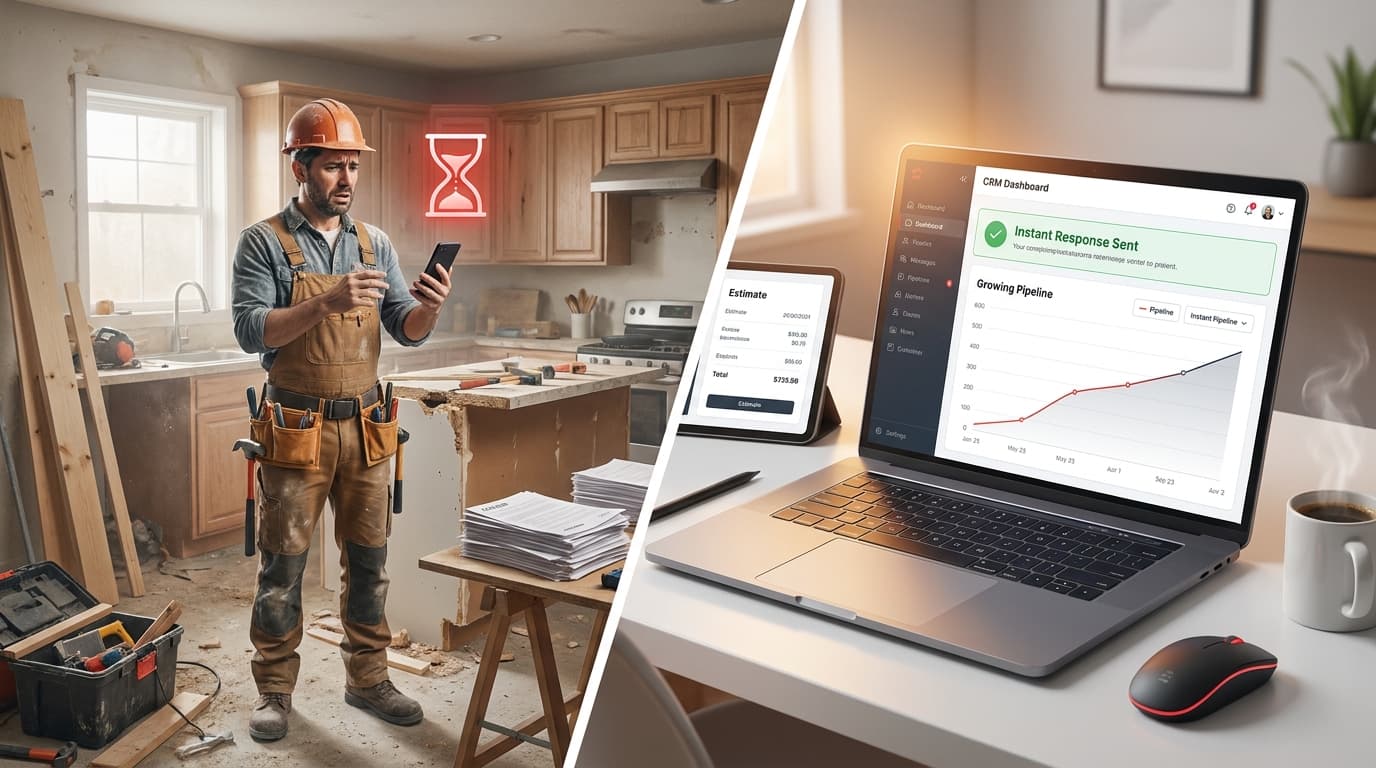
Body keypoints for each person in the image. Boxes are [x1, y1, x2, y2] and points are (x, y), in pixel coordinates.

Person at [230, 97, 451, 742]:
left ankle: (369, 679)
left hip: (366, 427)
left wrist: (431, 309)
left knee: (370, 562)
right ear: (300, 168)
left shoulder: (374, 244)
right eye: (332, 166)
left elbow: (405, 327)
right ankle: (274, 690)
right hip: (296, 427)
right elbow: (250, 330)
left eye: (353, 165)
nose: (346, 179)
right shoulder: (263, 242)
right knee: (283, 568)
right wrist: (325, 302)